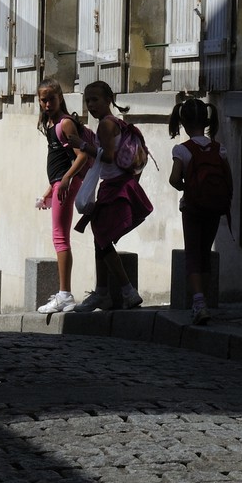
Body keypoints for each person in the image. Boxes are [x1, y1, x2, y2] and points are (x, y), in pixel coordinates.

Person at [71, 79, 152, 312]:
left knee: (103, 239)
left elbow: (108, 156)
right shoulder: (116, 122)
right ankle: (102, 292)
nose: (91, 105)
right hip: (118, 185)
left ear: (108, 100)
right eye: (87, 100)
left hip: (114, 187)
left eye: (95, 99)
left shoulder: (106, 125)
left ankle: (126, 290)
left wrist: (82, 145)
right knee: (101, 239)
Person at [169, 96, 232, 325]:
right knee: (205, 253)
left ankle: (199, 303)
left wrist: (188, 188)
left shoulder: (182, 150)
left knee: (192, 254)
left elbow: (174, 179)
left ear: (183, 123)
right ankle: (204, 297)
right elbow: (228, 179)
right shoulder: (219, 148)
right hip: (215, 208)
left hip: (193, 209)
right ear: (206, 121)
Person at [34, 78, 94, 314]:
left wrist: (66, 180)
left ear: (60, 97)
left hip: (66, 184)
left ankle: (65, 294)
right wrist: (51, 188)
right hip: (60, 184)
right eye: (43, 99)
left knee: (60, 238)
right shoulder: (50, 124)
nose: (47, 103)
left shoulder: (64, 123)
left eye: (51, 98)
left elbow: (81, 156)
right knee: (59, 237)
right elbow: (60, 158)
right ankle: (63, 293)